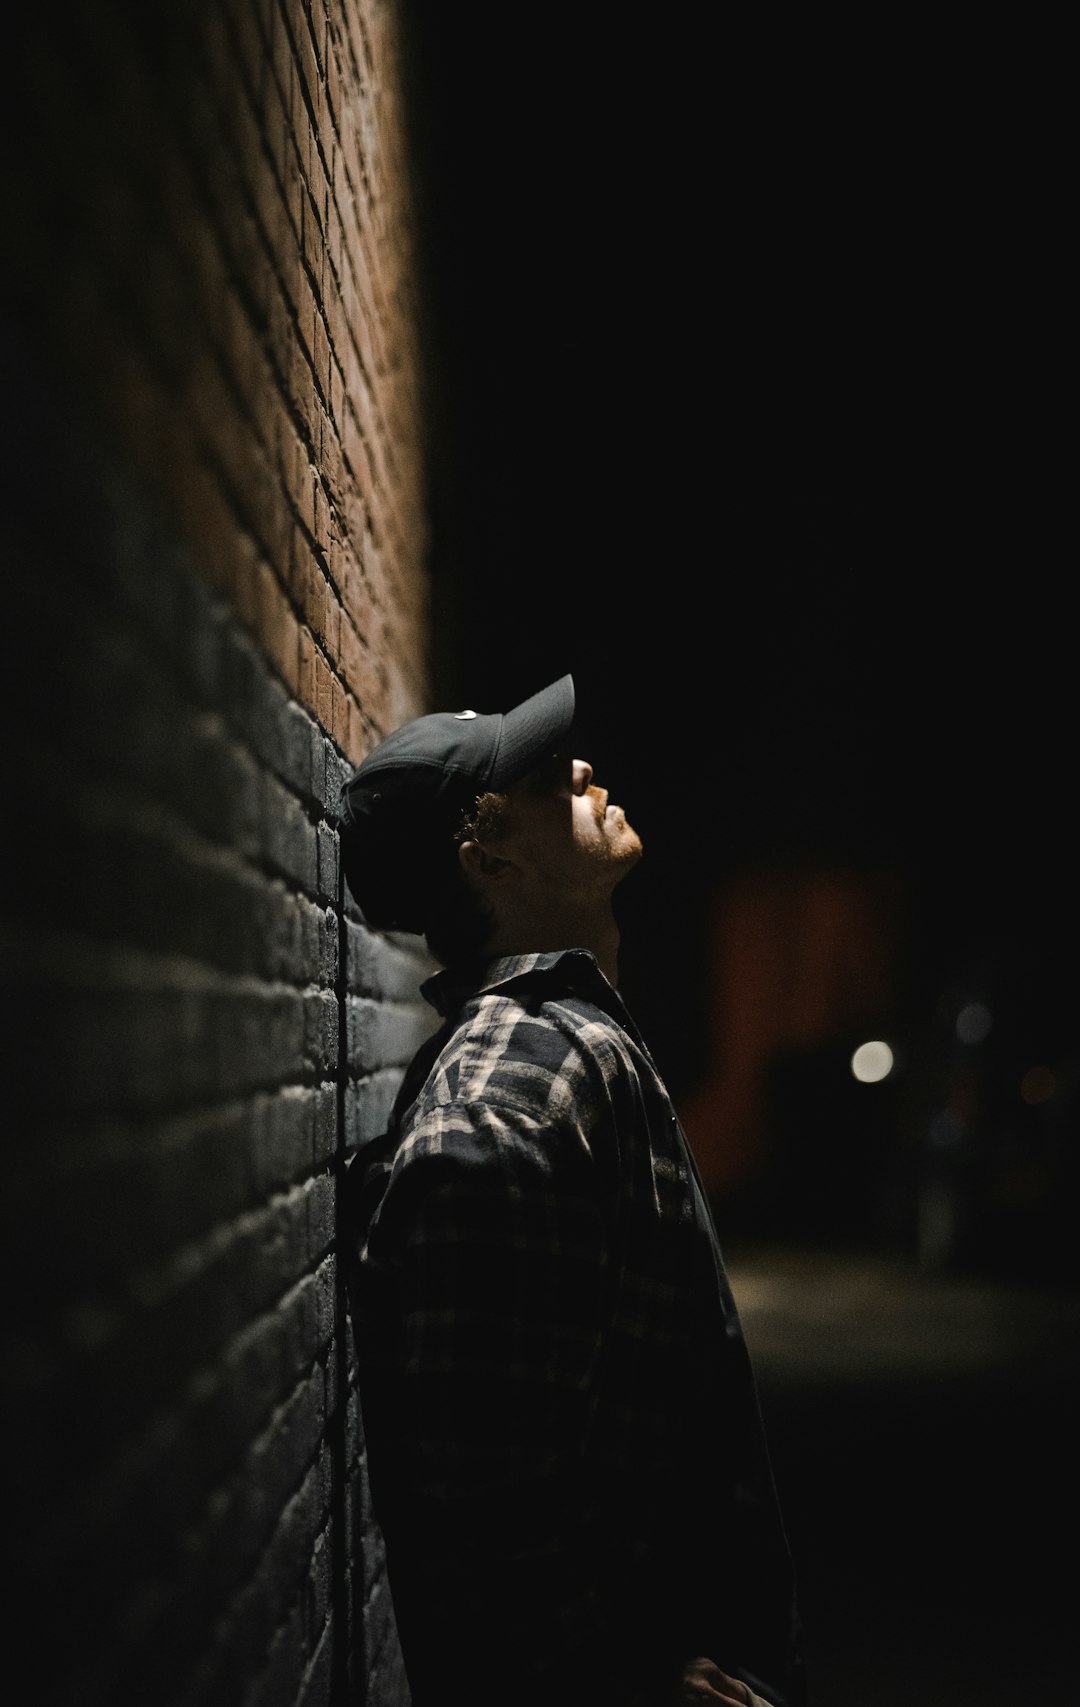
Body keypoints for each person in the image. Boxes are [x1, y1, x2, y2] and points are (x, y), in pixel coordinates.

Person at [337, 674, 806, 1707]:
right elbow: (481, 1513)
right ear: (490, 859)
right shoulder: (506, 1102)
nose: (586, 770)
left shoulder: (575, 1050)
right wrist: (641, 1683)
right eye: (548, 778)